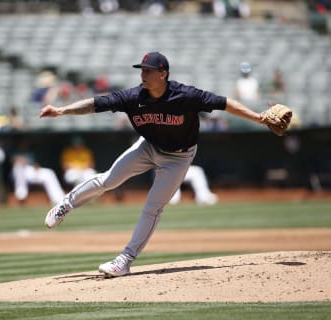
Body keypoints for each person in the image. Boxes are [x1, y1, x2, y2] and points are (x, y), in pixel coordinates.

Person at [40, 51, 276, 277]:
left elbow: (224, 103)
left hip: (179, 157)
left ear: (163, 73)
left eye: (148, 71)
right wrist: (61, 110)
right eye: (142, 70)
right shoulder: (133, 97)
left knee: (153, 207)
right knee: (109, 179)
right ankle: (66, 205)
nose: (143, 75)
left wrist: (257, 117)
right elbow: (95, 104)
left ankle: (124, 261)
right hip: (148, 146)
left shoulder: (185, 95)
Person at [11, 139, 65, 206]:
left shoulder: (30, 152)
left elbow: (35, 164)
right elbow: (12, 161)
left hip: (30, 171)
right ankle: (21, 196)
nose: (23, 145)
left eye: (25, 143)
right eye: (21, 143)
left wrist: (36, 167)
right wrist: (20, 161)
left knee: (49, 173)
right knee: (19, 168)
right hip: (18, 172)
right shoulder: (15, 152)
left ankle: (58, 199)